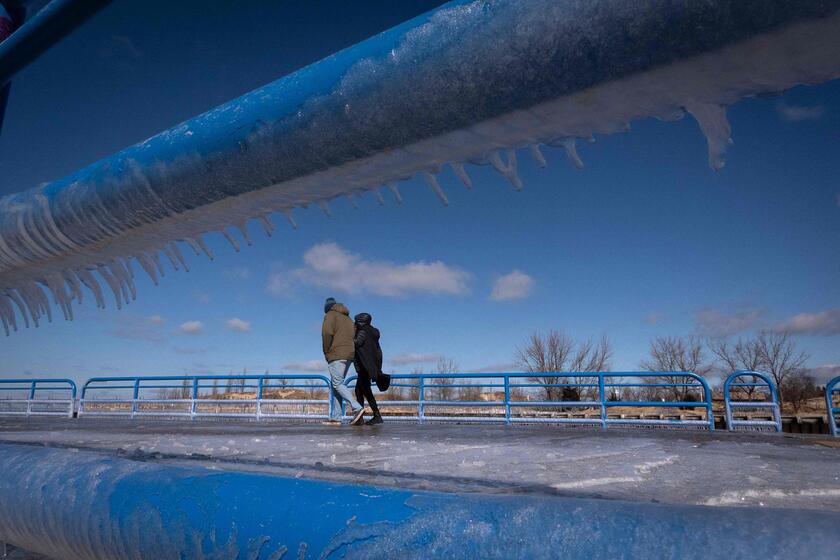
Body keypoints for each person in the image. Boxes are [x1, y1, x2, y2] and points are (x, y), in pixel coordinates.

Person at [321, 297, 366, 426]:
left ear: (327, 308)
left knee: (337, 384)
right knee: (336, 385)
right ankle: (336, 417)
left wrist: (326, 351)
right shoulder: (348, 319)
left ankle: (357, 408)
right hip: (349, 354)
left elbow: (326, 333)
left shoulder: (330, 315)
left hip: (336, 354)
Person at [353, 312, 388, 425]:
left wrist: (347, 339)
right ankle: (361, 417)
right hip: (370, 366)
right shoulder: (372, 332)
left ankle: (376, 415)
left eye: (356, 322)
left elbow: (357, 343)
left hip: (364, 366)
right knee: (359, 390)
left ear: (361, 322)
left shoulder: (363, 332)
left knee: (365, 391)